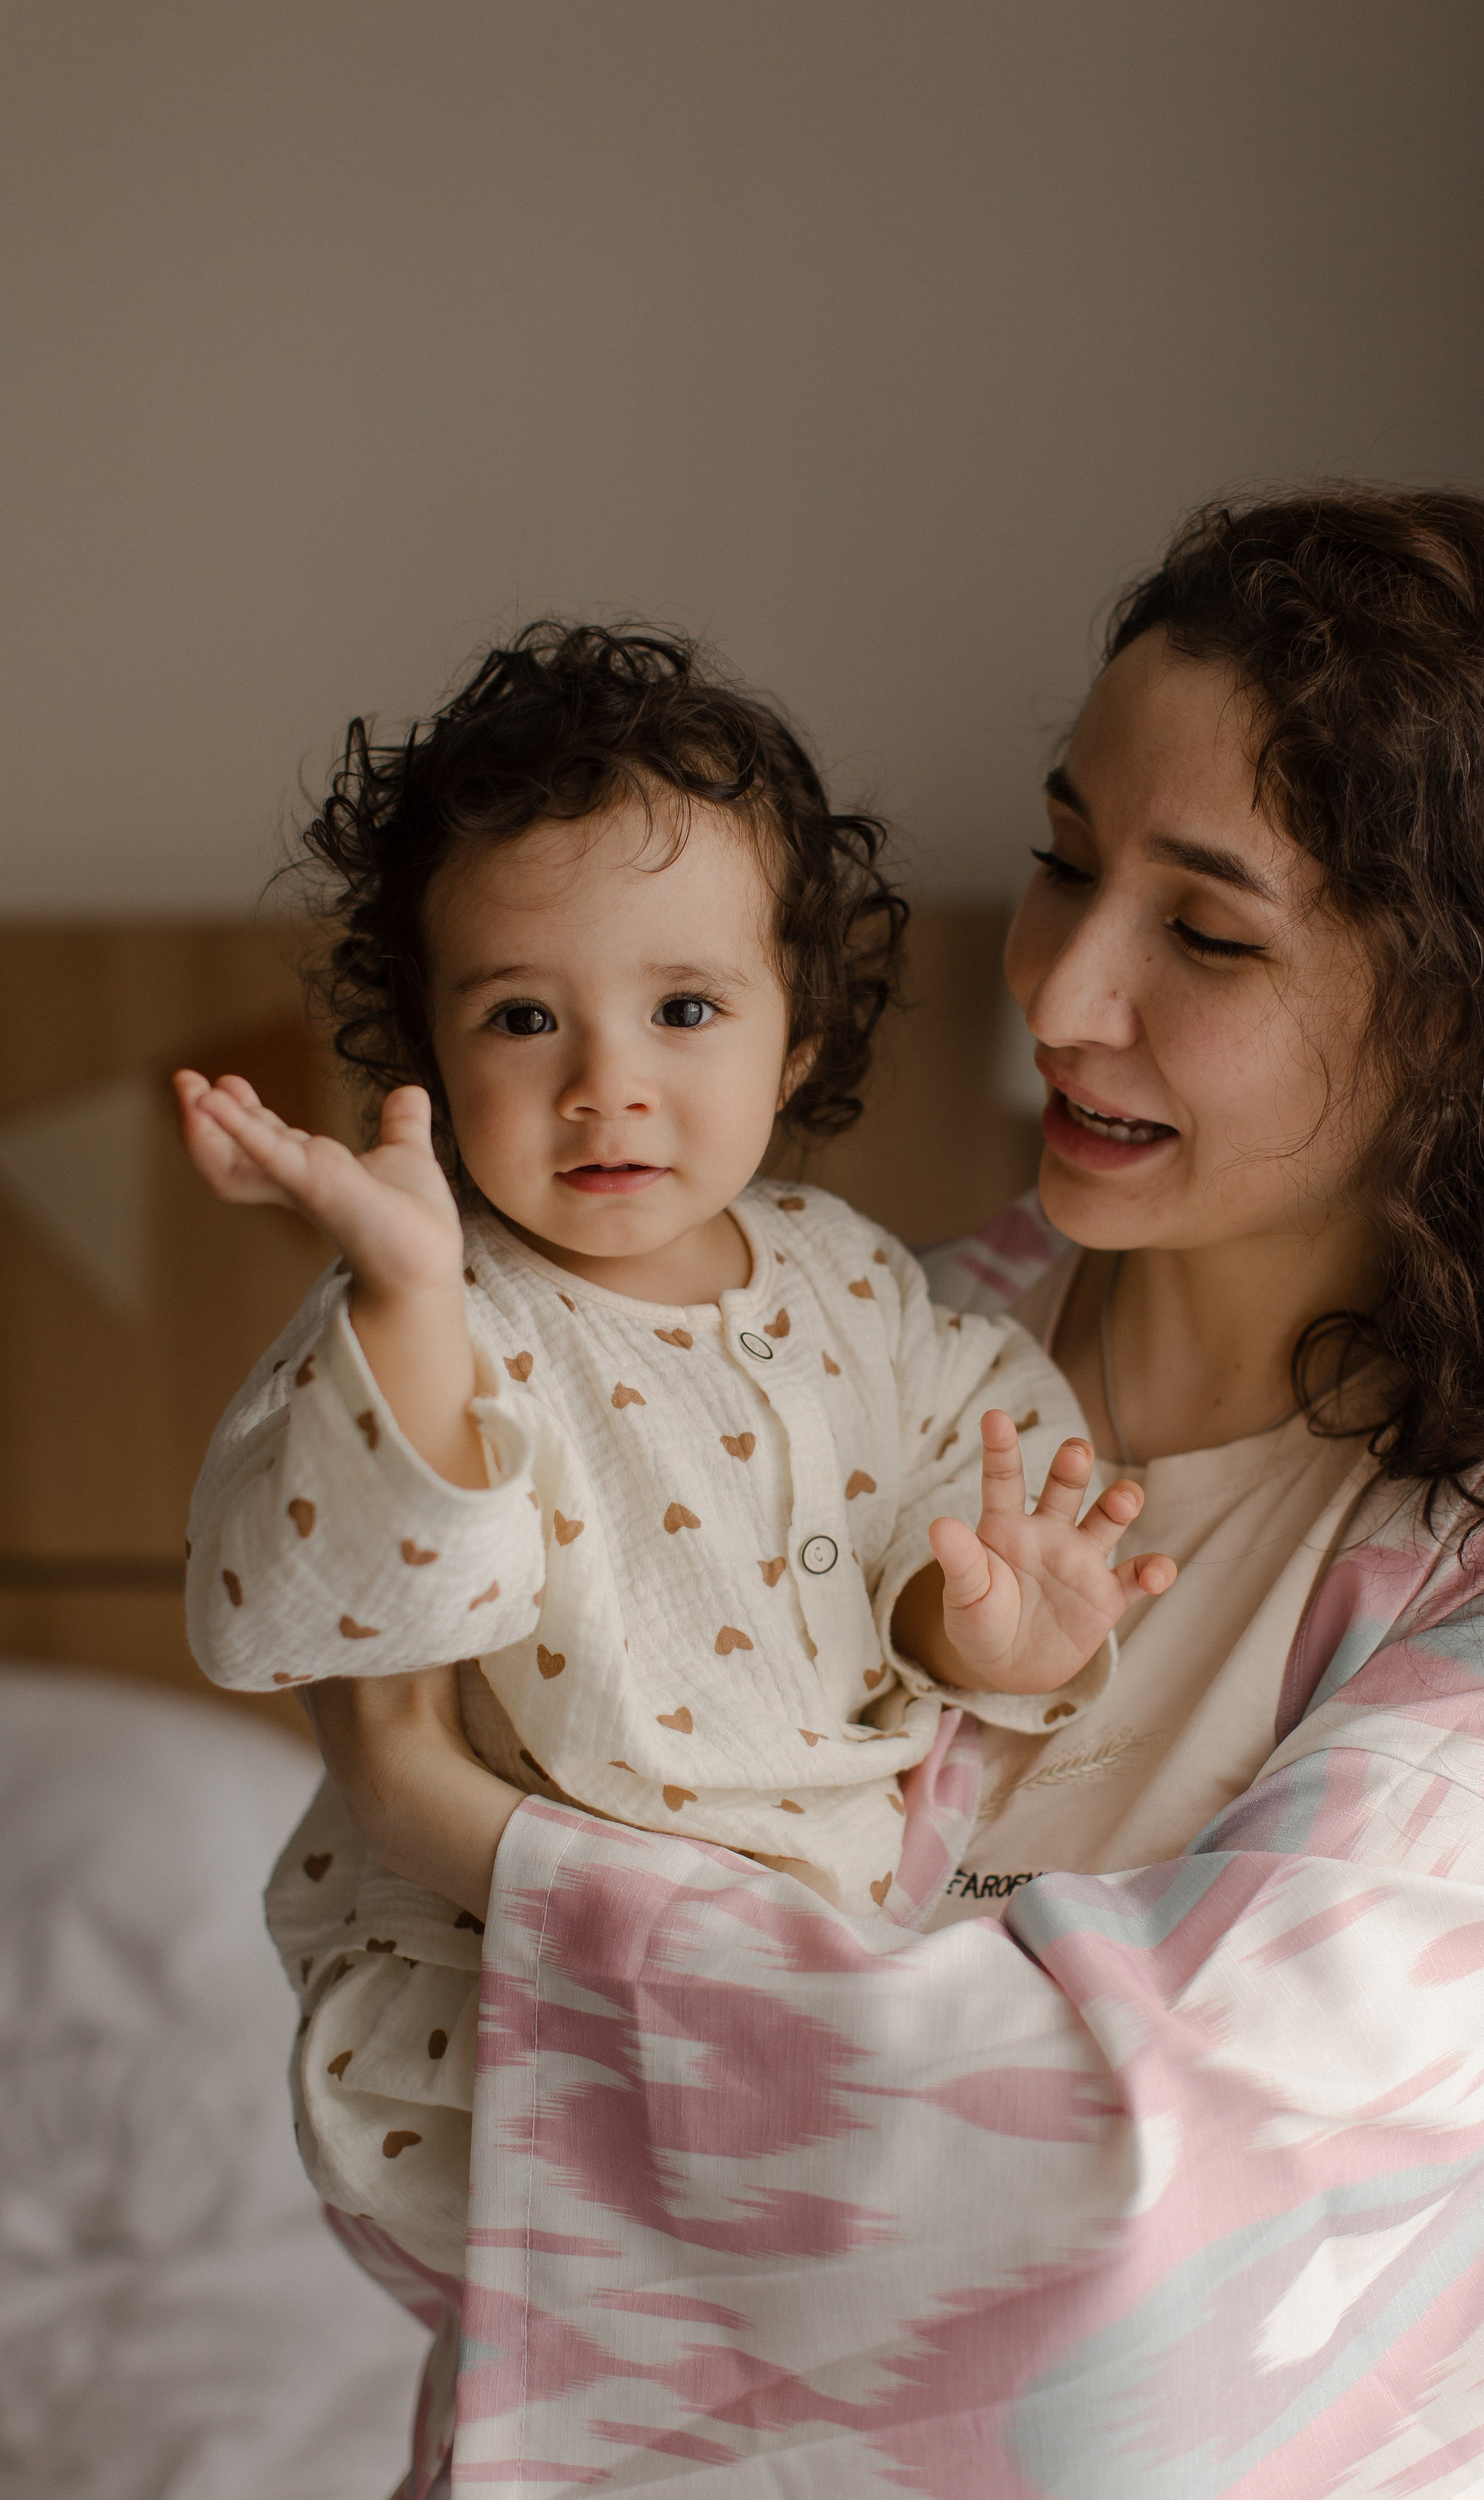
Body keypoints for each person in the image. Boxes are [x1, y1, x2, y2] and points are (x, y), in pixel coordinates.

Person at [307, 484, 1484, 2499]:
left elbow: (1123, 2209)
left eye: (1204, 933)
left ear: (1465, 1019)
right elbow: (431, 2117)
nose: (1058, 993)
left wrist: (464, 1830)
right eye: (1060, 861)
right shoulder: (870, 1353)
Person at [173, 626, 1175, 2285]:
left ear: (793, 1041)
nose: (604, 1087)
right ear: (424, 1060)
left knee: (1025, 2223)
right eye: (519, 1019)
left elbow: (943, 1503)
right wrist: (409, 1300)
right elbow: (297, 1604)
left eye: (685, 1007)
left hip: (817, 1974)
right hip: (491, 2012)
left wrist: (972, 1628)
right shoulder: (431, 1303)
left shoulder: (856, 1280)